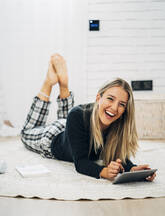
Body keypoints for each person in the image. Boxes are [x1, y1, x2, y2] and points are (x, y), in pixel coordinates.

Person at [21, 53, 156, 181]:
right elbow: (81, 163)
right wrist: (104, 172)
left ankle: (63, 85)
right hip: (53, 136)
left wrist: (132, 169)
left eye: (121, 104)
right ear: (98, 98)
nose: (114, 108)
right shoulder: (78, 115)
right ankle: (48, 83)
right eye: (110, 99)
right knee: (26, 133)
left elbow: (117, 154)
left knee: (71, 117)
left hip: (70, 128)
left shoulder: (117, 122)